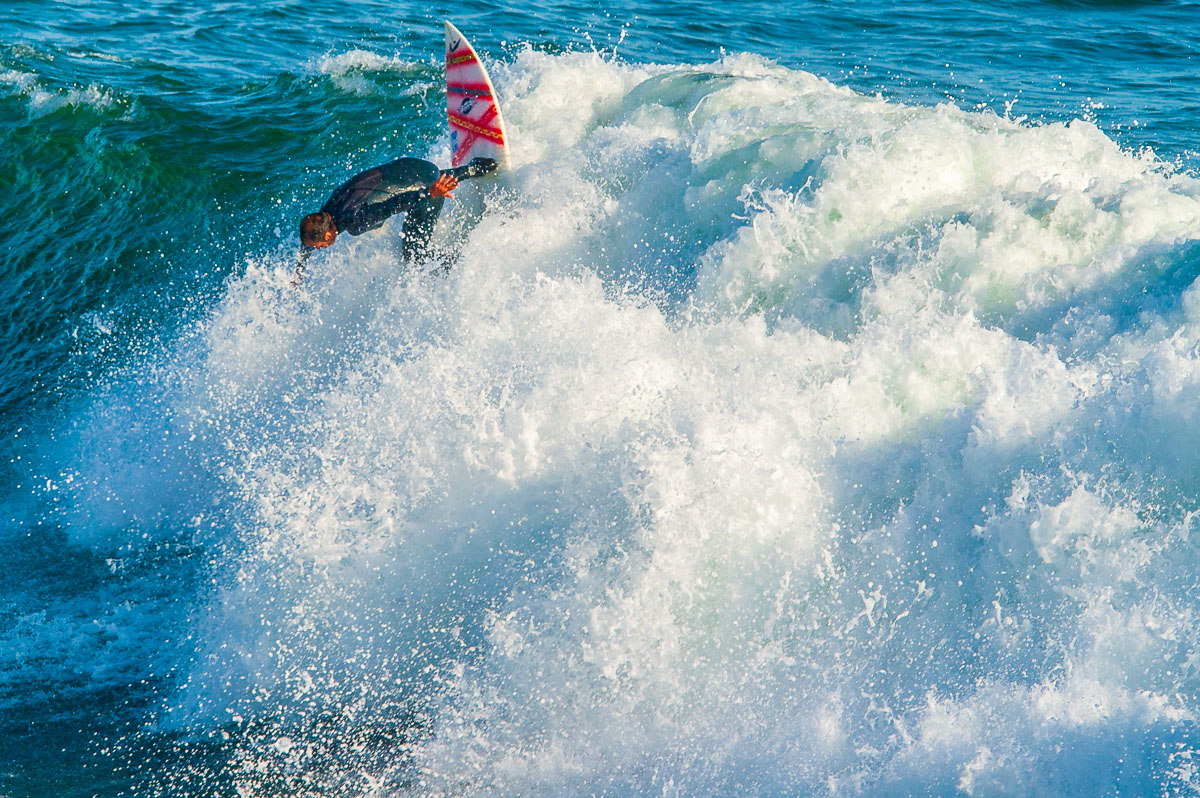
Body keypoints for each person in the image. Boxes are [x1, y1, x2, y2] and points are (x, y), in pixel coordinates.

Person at [295, 155, 498, 279]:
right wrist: (299, 270)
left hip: (424, 187)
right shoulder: (328, 210)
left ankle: (460, 261)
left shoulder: (353, 220)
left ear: (329, 234)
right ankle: (474, 168)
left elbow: (391, 207)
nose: (318, 248)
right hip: (413, 167)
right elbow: (309, 239)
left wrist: (430, 193)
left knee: (412, 257)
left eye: (319, 245)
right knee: (413, 184)